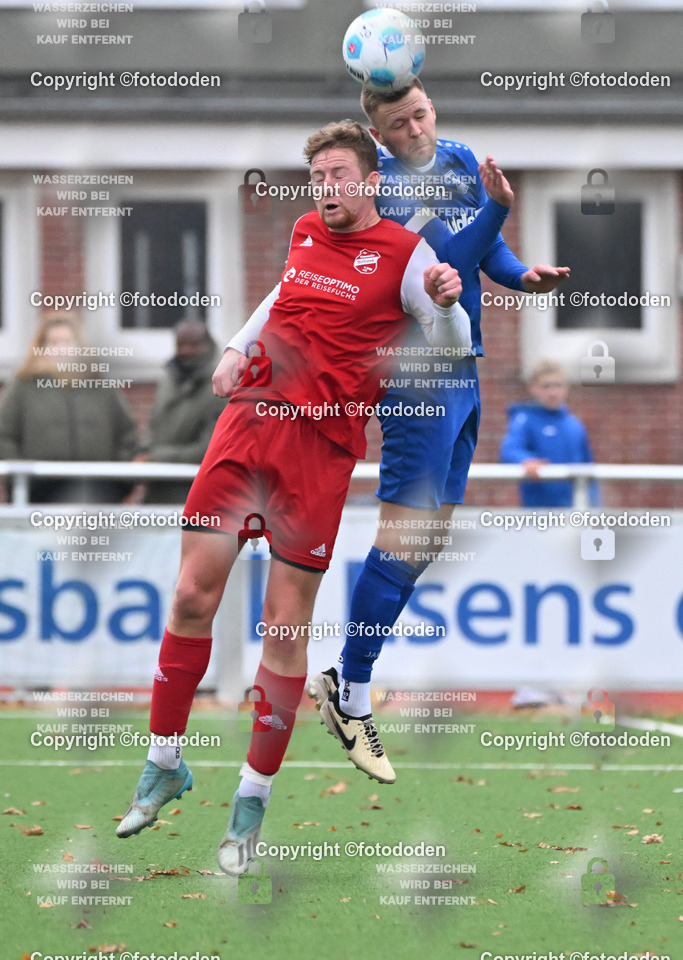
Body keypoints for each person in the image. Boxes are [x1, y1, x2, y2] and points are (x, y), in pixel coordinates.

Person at [115, 119, 512, 876]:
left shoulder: (406, 256)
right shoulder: (302, 232)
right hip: (245, 430)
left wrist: (451, 298)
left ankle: (249, 808)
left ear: (368, 183)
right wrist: (235, 349)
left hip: (319, 453)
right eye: (317, 178)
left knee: (282, 628)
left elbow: (454, 340)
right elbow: (279, 297)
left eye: (337, 176)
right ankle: (165, 762)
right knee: (191, 597)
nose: (325, 189)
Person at [300, 78, 571, 780]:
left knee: (425, 542)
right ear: (379, 137)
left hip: (464, 366)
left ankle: (347, 678)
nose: (416, 129)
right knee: (403, 535)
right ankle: (350, 690)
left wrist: (523, 275)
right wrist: (498, 208)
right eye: (399, 122)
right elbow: (445, 260)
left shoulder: (455, 157)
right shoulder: (379, 188)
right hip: (414, 376)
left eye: (421, 113)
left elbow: (484, 255)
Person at [0, 314, 138, 503]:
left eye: (66, 341)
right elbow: (4, 435)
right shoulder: (24, 385)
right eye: (53, 342)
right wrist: (19, 477)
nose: (60, 348)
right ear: (42, 347)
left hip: (98, 490)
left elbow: (127, 434)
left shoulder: (101, 384)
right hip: (39, 492)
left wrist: (118, 480)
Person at [142, 320, 225, 504]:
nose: (187, 351)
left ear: (207, 345)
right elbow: (154, 426)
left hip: (197, 495)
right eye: (181, 344)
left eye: (194, 345)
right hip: (158, 491)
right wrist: (145, 452)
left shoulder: (221, 387)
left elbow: (209, 449)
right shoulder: (168, 380)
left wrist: (156, 457)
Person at [499, 359, 599, 507]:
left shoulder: (575, 425)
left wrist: (596, 507)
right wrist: (526, 461)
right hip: (538, 514)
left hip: (574, 512)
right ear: (533, 388)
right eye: (546, 386)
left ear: (566, 388)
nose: (552, 392)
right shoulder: (525, 420)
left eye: (557, 386)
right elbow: (510, 450)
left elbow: (589, 469)